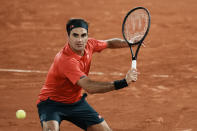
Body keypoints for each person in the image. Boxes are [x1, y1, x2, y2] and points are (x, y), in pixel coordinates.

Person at [37, 18, 138, 131]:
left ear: (87, 36)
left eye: (83, 35)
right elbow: (90, 87)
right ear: (68, 36)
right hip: (51, 103)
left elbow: (109, 43)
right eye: (75, 35)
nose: (80, 40)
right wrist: (124, 82)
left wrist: (129, 43)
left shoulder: (90, 44)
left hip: (75, 103)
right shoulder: (66, 60)